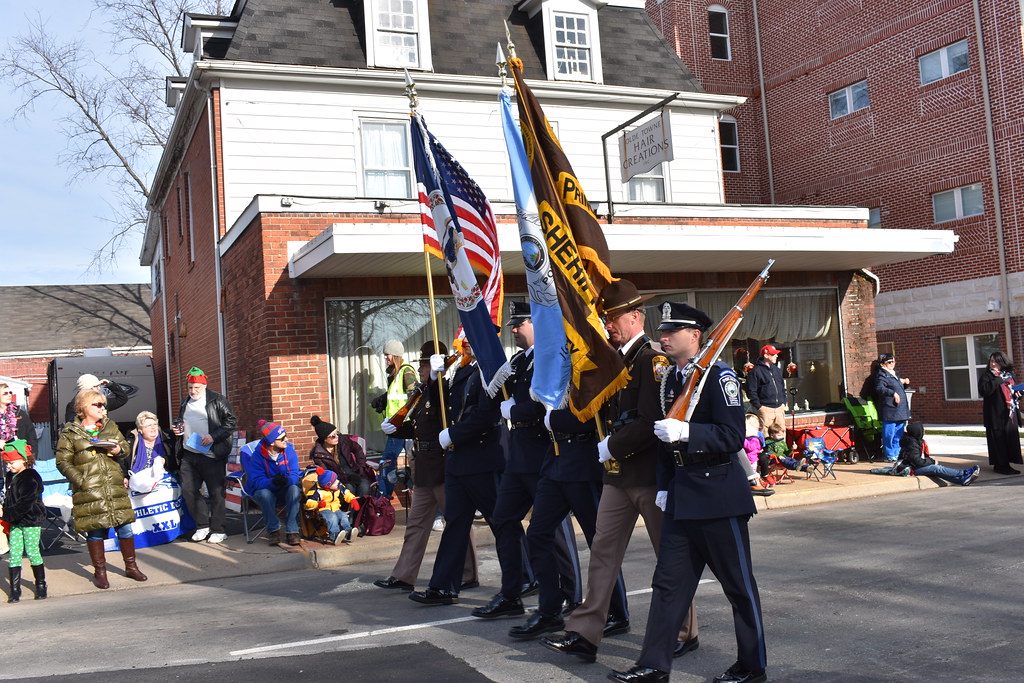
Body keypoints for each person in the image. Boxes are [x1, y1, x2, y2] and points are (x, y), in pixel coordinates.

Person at [610, 302, 766, 683]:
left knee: (738, 588)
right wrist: (664, 486)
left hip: (717, 498)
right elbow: (664, 441)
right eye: (662, 331)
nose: (662, 337)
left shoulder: (719, 376)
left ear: (695, 336)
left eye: (671, 332)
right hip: (681, 497)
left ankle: (752, 666)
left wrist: (689, 433)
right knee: (668, 585)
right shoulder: (671, 379)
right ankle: (654, 665)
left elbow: (732, 436)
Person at [543, 280, 698, 663]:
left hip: (648, 475)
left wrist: (611, 445)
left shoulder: (651, 360)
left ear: (634, 317)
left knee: (670, 557)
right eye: (605, 318)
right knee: (602, 552)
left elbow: (651, 421)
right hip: (616, 476)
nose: (607, 325)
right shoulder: (613, 362)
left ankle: (683, 630)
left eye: (612, 318)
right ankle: (584, 632)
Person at [475, 302, 582, 638]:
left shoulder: (549, 357)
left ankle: (573, 596)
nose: (514, 329)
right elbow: (491, 402)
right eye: (512, 324)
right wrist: (487, 377)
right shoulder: (517, 363)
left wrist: (514, 410)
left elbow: (543, 404)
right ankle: (513, 591)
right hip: (518, 460)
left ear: (536, 324)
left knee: (554, 534)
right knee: (503, 519)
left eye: (519, 323)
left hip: (543, 456)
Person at [374, 341, 479, 592]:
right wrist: (397, 428)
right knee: (416, 526)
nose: (421, 369)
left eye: (425, 365)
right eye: (422, 365)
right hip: (423, 467)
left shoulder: (442, 390)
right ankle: (404, 575)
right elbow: (421, 427)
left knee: (457, 522)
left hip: (443, 467)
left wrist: (435, 377)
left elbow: (443, 407)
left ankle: (468, 574)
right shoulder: (423, 392)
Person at [409, 340, 505, 606]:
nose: (463, 344)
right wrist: (435, 380)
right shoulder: (464, 370)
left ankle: (523, 578)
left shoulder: (489, 369)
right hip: (459, 459)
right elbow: (445, 407)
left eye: (470, 338)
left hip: (481, 459)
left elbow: (485, 415)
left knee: (501, 523)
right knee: (455, 524)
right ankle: (443, 587)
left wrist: (453, 433)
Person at [55, 389, 147, 589]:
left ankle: (131, 567)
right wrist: (81, 480)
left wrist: (117, 449)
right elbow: (62, 462)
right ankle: (100, 572)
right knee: (95, 530)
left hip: (113, 485)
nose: (103, 408)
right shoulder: (70, 433)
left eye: (103, 404)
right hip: (89, 490)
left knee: (125, 526)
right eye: (98, 404)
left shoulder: (109, 426)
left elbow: (125, 449)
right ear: (83, 407)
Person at [172, 367, 237, 544]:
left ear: (204, 385)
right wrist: (178, 428)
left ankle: (218, 529)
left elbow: (231, 422)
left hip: (211, 454)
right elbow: (182, 421)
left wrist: (213, 436)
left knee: (216, 492)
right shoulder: (185, 402)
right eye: (190, 387)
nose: (193, 391)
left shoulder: (217, 400)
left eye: (196, 388)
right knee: (189, 490)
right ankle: (202, 525)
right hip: (189, 453)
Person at [239, 420, 302, 546]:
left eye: (286, 435)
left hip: (284, 489)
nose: (286, 439)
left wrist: (288, 481)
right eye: (282, 438)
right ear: (272, 442)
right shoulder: (257, 456)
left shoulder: (289, 451)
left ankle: (292, 531)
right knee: (265, 494)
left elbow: (295, 474)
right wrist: (273, 482)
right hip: (265, 491)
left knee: (294, 489)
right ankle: (273, 530)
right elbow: (256, 482)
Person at [2, 440, 46, 602]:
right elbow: (9, 498)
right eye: (7, 463)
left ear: (23, 459)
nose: (9, 467)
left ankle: (41, 585)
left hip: (30, 520)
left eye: (12, 463)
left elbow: (26, 502)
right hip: (15, 521)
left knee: (33, 552)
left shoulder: (31, 477)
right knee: (14, 553)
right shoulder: (10, 476)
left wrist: (7, 514)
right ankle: (15, 589)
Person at [374, 340, 417, 500]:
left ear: (396, 355)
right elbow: (397, 397)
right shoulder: (395, 374)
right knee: (387, 462)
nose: (385, 357)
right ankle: (383, 500)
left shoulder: (406, 372)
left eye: (387, 354)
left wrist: (404, 419)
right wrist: (383, 399)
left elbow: (415, 397)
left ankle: (383, 500)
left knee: (413, 464)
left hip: (405, 427)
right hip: (395, 427)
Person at [978, 351, 1023, 475]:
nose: (993, 364)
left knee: (1009, 439)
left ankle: (1008, 463)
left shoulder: (1009, 375)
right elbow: (984, 391)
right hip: (995, 415)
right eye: (991, 361)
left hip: (1009, 414)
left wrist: (1019, 394)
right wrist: (998, 380)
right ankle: (1000, 466)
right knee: (998, 441)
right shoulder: (987, 376)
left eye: (995, 361)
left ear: (1002, 362)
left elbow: (1013, 391)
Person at [309, 415, 375, 498]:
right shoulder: (318, 454)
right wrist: (346, 479)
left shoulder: (343, 441)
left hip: (356, 473)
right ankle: (350, 511)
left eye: (337, 433)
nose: (337, 437)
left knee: (365, 488)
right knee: (349, 490)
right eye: (333, 436)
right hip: (338, 480)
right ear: (325, 439)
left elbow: (357, 449)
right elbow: (326, 474)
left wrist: (360, 466)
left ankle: (364, 510)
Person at [896, 422, 980, 486]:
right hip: (911, 469)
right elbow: (917, 461)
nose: (923, 431)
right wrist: (932, 462)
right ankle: (964, 473)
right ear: (917, 432)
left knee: (937, 471)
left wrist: (929, 461)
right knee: (937, 468)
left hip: (914, 466)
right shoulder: (911, 445)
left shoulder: (914, 441)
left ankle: (962, 480)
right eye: (922, 430)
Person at [302, 467, 357, 544]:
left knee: (343, 516)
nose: (337, 483)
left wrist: (352, 499)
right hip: (323, 509)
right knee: (332, 517)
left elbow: (346, 492)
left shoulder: (337, 485)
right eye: (334, 482)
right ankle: (334, 535)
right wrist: (318, 504)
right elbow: (309, 502)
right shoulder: (316, 491)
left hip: (335, 507)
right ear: (327, 486)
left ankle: (348, 532)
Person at [124, 412, 177, 492]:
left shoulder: (167, 439)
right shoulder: (131, 442)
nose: (153, 428)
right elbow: (123, 463)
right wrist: (125, 477)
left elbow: (177, 460)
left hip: (164, 485)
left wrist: (165, 461)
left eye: (155, 424)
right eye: (148, 426)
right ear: (140, 430)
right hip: (139, 486)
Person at [874, 353, 910, 462]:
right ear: (882, 364)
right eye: (889, 362)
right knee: (889, 433)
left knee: (899, 432)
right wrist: (892, 393)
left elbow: (898, 386)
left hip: (900, 408)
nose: (892, 364)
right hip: (889, 408)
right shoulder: (881, 375)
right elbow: (879, 388)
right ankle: (889, 454)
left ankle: (897, 452)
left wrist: (905, 383)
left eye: (894, 361)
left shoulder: (894, 374)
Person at [745, 344, 787, 432]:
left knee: (781, 435)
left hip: (779, 408)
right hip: (765, 409)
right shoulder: (755, 371)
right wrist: (759, 407)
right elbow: (751, 391)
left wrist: (783, 402)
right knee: (765, 436)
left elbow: (782, 387)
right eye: (773, 354)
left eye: (776, 354)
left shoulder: (777, 370)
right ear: (766, 355)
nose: (776, 355)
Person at [63, 374, 130, 426]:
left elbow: (122, 399)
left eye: (99, 385)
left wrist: (110, 384)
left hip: (102, 439)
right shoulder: (74, 405)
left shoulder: (101, 401)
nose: (99, 389)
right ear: (87, 389)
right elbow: (71, 427)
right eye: (95, 386)